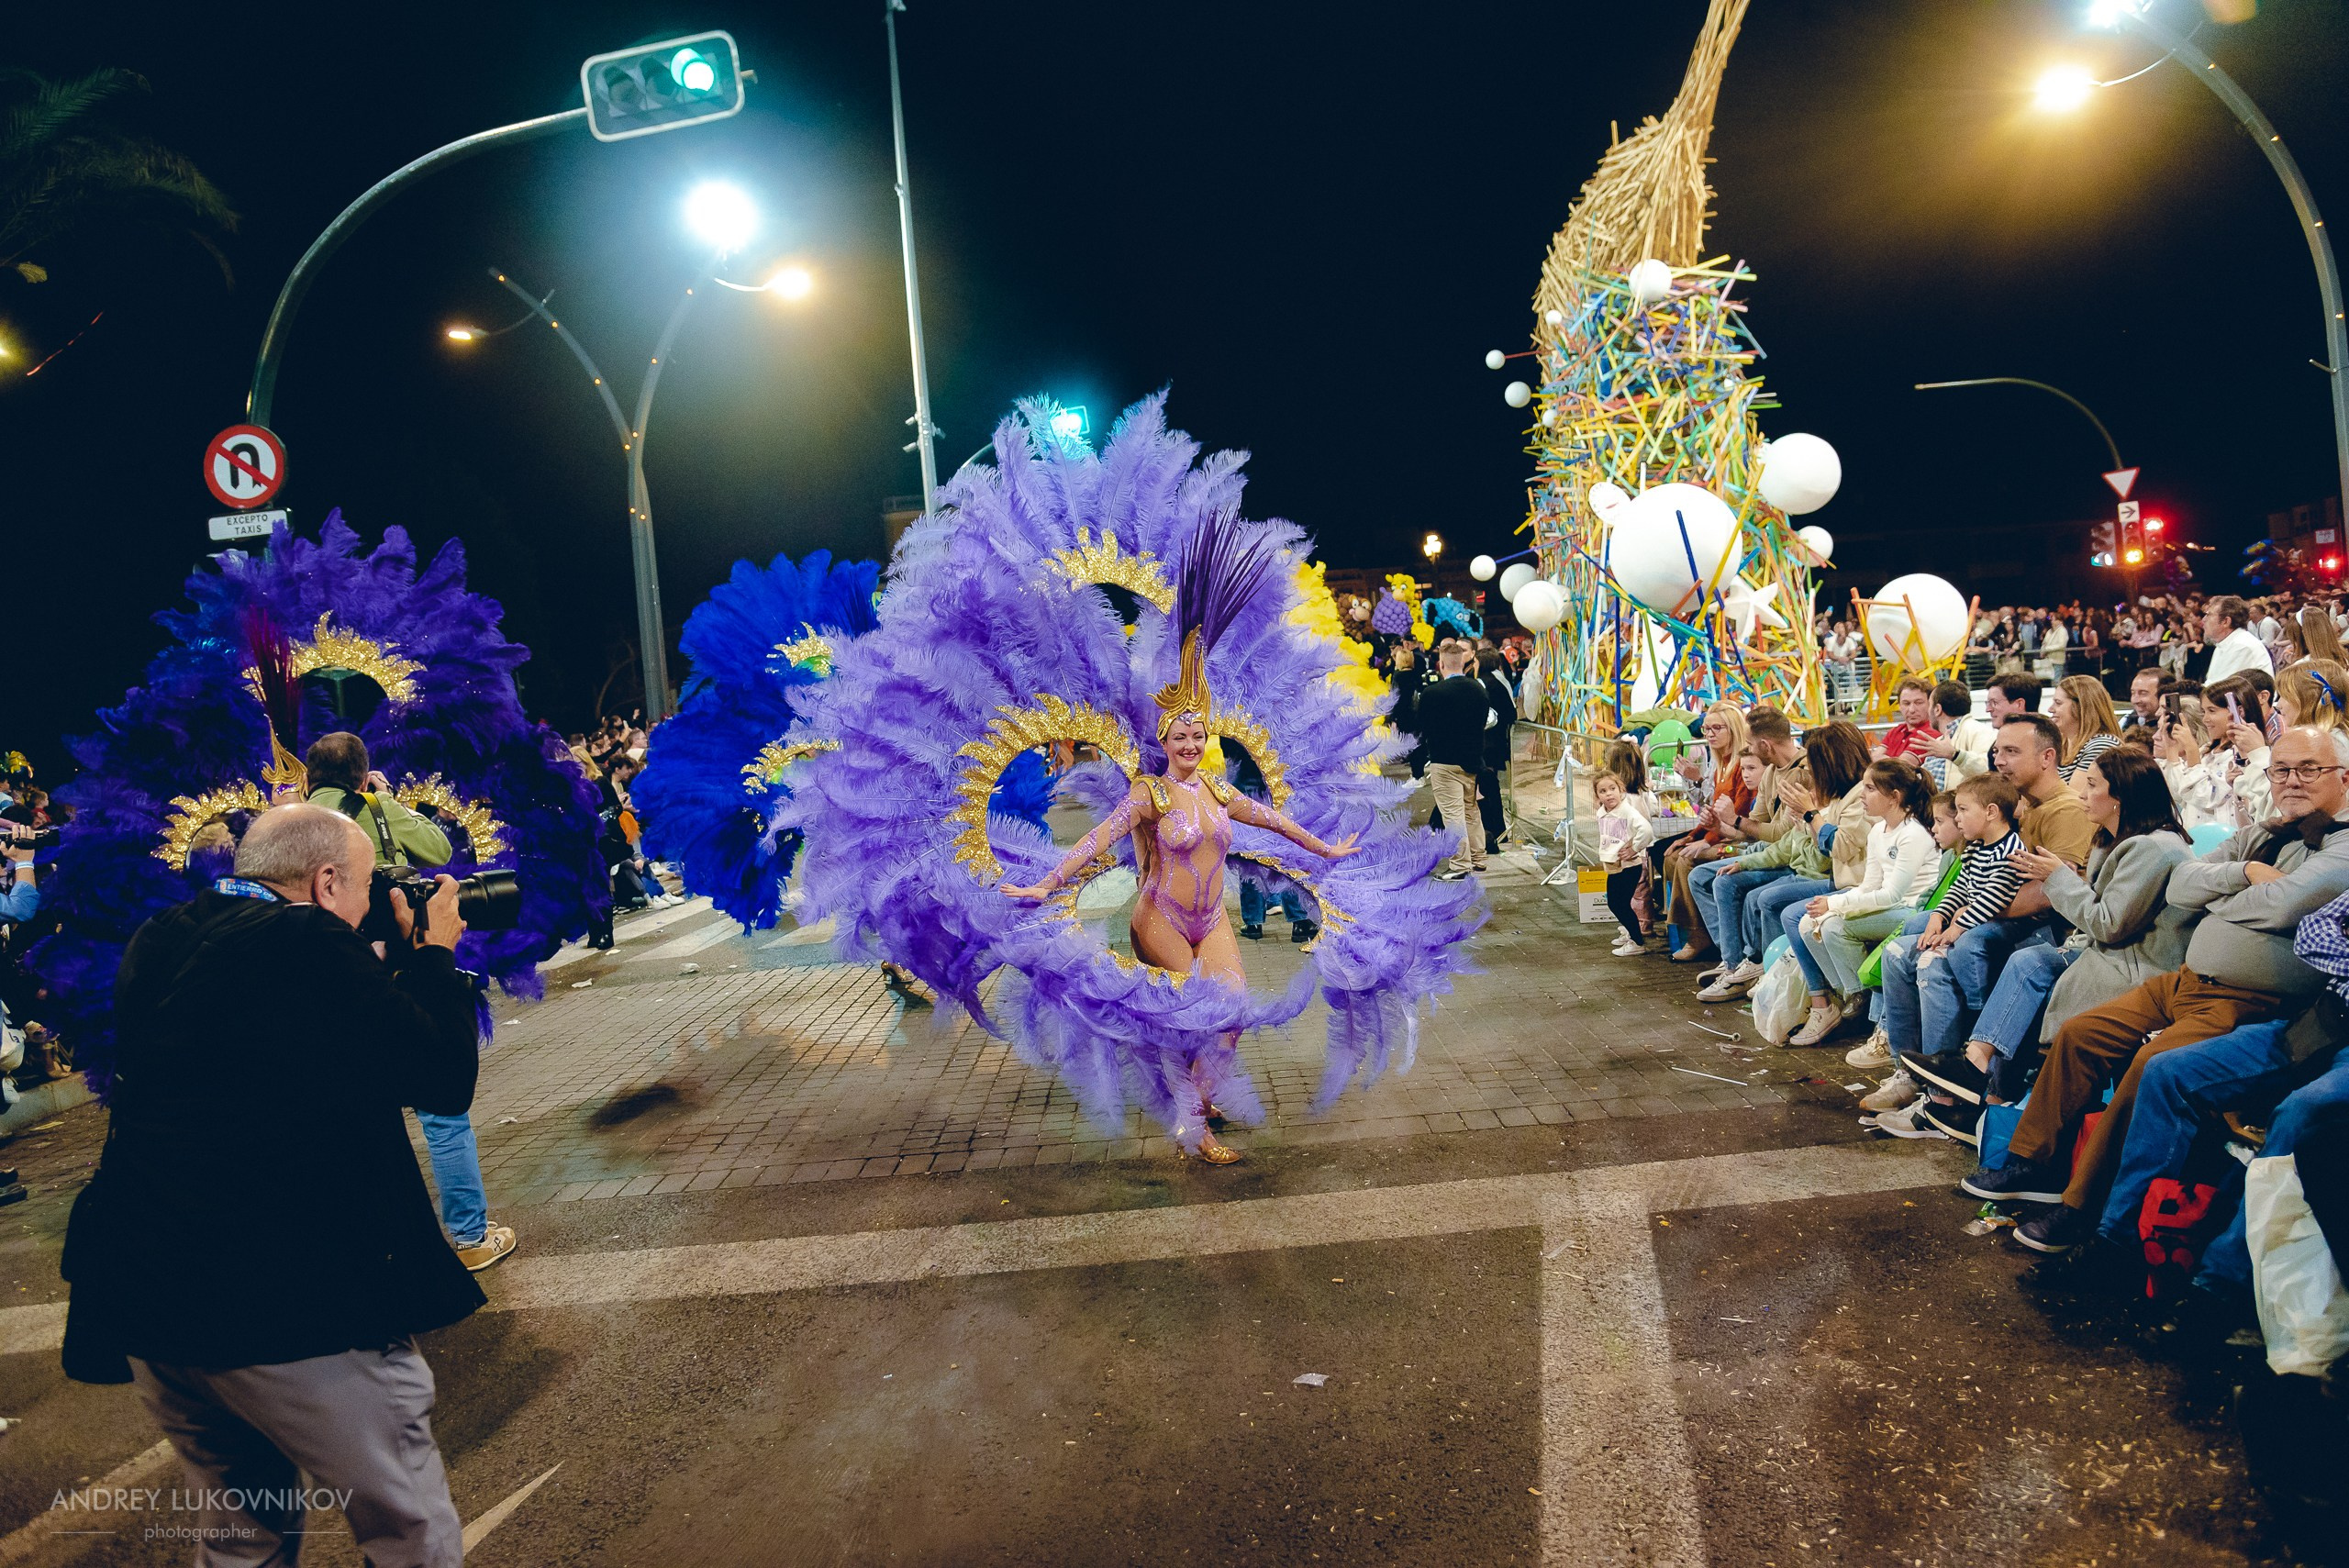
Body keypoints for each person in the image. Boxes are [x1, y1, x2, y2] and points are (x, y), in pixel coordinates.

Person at [60, 805, 481, 1566]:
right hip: (285, 1308)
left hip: (151, 1301)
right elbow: (441, 1076)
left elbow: (279, 1060)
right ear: (324, 882)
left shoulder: (165, 938)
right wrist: (434, 956)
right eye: (364, 886)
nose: (372, 904)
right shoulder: (307, 940)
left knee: (242, 1534)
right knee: (409, 1526)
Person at [1000, 593, 1364, 1164]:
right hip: (1160, 918)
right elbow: (1100, 838)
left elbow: (1274, 819)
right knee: (1198, 1012)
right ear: (1165, 743)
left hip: (1211, 917)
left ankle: (1199, 1096)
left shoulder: (1218, 790)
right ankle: (1193, 1126)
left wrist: (1325, 849)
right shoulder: (1151, 793)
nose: (1191, 746)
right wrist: (1048, 883)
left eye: (1199, 737)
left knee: (1233, 1012)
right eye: (1180, 739)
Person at [1978, 726, 2349, 1241]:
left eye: (2308, 769)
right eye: (2281, 770)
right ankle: (2031, 1161)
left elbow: (2283, 904)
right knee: (2081, 1033)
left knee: (2150, 1068)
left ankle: (2085, 1206)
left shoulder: (2344, 847)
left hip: (2251, 1000)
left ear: (2345, 777)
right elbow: (2182, 884)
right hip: (2185, 980)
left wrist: (2220, 897)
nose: (2290, 781)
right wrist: (2243, 875)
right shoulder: (2264, 832)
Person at [2061, 883, 2349, 1323]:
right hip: (2318, 1024)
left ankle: (2216, 1287)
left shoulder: (2336, 852)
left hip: (2296, 1021)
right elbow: (2314, 929)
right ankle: (2117, 1243)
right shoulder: (2273, 839)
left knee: (2301, 1113)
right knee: (2167, 1071)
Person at [303, 736, 513, 1273]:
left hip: (325, 973)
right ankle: (468, 1237)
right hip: (400, 965)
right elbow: (439, 851)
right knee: (441, 1111)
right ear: (362, 774)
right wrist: (386, 800)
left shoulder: (293, 821)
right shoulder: (373, 808)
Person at [1932, 748, 2190, 1111]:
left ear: (2121, 797)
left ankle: (1983, 1075)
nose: (2082, 794)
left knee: (2028, 964)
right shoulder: (2113, 839)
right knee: (2026, 965)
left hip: (2140, 968)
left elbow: (2108, 924)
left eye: (2093, 786)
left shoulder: (2154, 850)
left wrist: (2057, 878)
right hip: (2109, 954)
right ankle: (1989, 1089)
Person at [1696, 722, 1866, 1003]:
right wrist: (1742, 855)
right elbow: (1780, 840)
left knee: (1770, 901)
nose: (1746, 768)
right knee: (1716, 877)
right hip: (1809, 868)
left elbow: (1830, 853)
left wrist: (1810, 816)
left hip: (1833, 880)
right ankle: (1737, 964)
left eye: (1750, 763)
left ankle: (1813, 991)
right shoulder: (1793, 783)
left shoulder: (1842, 798)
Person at [1787, 758, 1937, 1045]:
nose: (1862, 795)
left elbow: (1893, 895)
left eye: (1870, 789)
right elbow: (1869, 886)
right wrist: (1831, 905)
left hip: (1913, 910)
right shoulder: (1878, 830)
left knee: (1833, 926)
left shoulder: (1913, 833)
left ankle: (1862, 997)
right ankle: (1850, 993)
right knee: (1809, 923)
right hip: (1890, 905)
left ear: (1895, 797)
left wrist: (1836, 905)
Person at [303, 731, 451, 871]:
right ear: (364, 782)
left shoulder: (291, 819)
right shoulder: (378, 807)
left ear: (305, 780)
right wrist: (389, 800)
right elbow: (440, 852)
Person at [1412, 641, 1496, 880]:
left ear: (1440, 665)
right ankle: (1479, 858)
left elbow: (1422, 727)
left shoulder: (1432, 694)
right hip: (1472, 760)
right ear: (1463, 662)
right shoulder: (1479, 690)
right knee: (1471, 810)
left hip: (1444, 760)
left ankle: (1459, 865)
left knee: (1453, 815)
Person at [1594, 769, 1655, 956]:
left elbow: (1646, 830)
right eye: (1603, 791)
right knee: (1619, 902)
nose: (1609, 794)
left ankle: (1637, 941)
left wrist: (1634, 848)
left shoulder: (1628, 812)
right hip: (1613, 864)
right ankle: (1631, 931)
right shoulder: (1602, 813)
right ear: (1597, 795)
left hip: (1629, 866)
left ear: (1621, 789)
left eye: (1612, 788)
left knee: (1617, 903)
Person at [1475, 649, 1518, 855]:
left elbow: (1507, 713)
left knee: (1489, 789)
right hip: (1496, 743)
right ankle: (1498, 830)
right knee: (1491, 788)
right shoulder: (1498, 681)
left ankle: (1494, 831)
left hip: (1489, 745)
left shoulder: (1485, 683)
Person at [2050, 673, 2122, 784]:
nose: (2050, 709)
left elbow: (2076, 798)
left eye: (2058, 703)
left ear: (2081, 708)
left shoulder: (2101, 744)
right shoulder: (2059, 743)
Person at [2204, 594, 2275, 684]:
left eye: (2208, 615)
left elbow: (2220, 689)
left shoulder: (2242, 645)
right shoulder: (2224, 644)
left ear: (2226, 621)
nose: (2204, 620)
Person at [1876, 678, 1937, 762]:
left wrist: (1882, 759)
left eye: (1918, 703)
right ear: (1900, 706)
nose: (1912, 710)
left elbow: (1903, 766)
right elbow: (1874, 757)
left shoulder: (1932, 732)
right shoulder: (1896, 730)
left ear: (1930, 704)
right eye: (1906, 703)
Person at [2121, 665, 2165, 733]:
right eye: (2133, 693)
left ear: (2163, 695)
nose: (2135, 700)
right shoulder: (2125, 722)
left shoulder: (2175, 730)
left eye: (2143, 693)